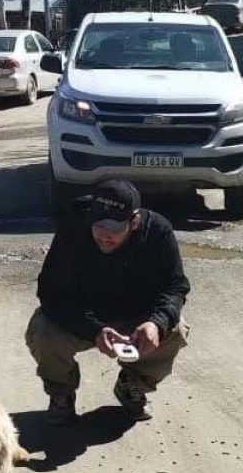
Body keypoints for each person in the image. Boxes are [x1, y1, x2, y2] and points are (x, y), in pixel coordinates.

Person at [26, 179, 190, 425]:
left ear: (134, 222)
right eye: (98, 225)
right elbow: (50, 291)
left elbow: (175, 287)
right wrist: (94, 330)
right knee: (43, 332)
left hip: (137, 316)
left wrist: (156, 323)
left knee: (175, 331)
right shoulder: (74, 224)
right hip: (85, 317)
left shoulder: (158, 231)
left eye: (114, 228)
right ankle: (61, 392)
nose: (104, 235)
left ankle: (132, 384)